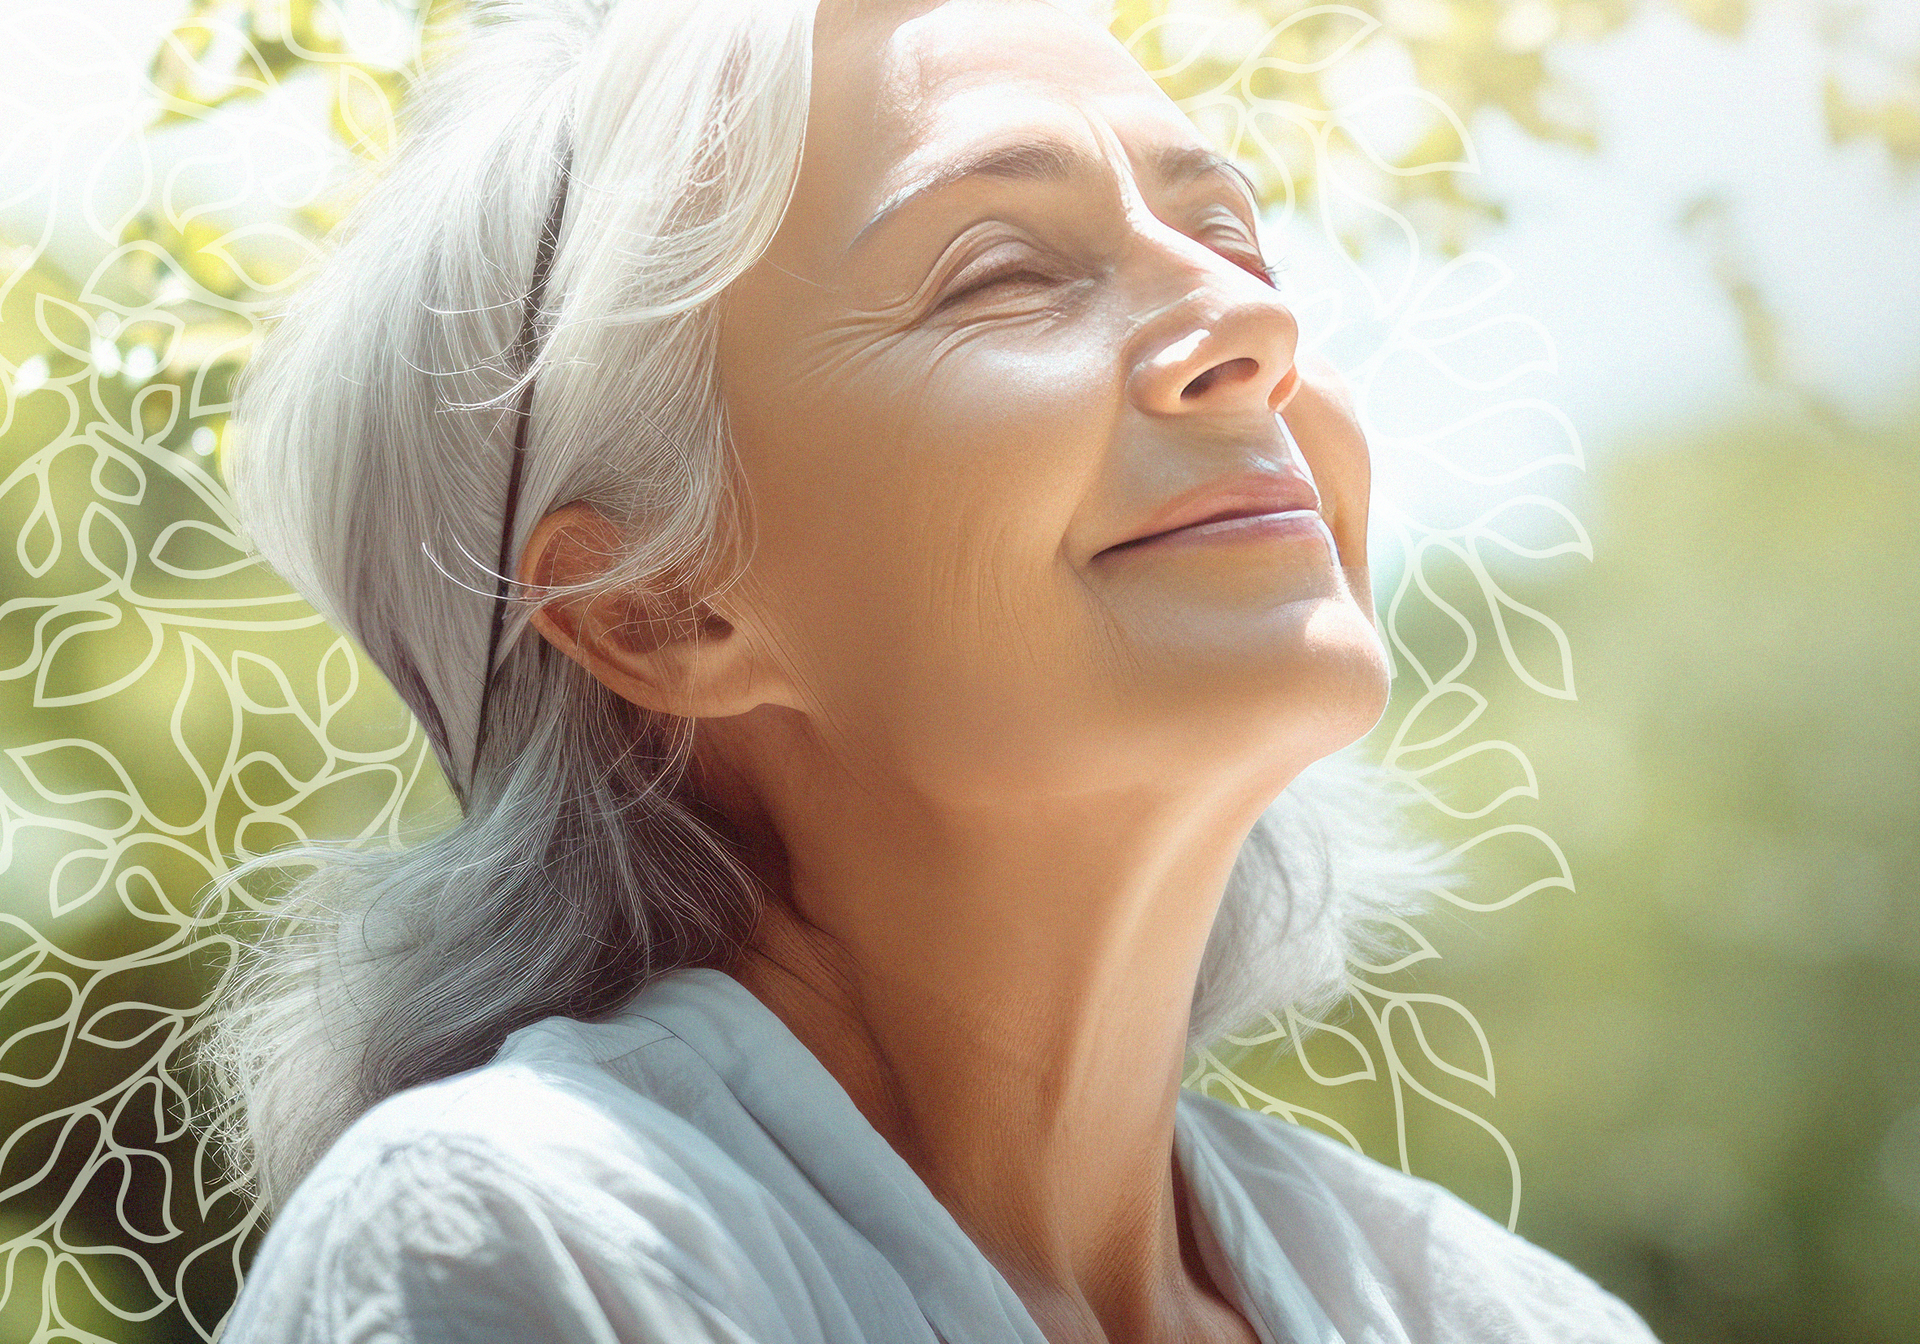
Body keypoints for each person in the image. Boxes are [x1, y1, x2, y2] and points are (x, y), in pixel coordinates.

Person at [203, 0, 1660, 1340]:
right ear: (659, 610)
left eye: (1234, 238)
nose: (1257, 324)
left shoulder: (1513, 1317)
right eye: (1003, 273)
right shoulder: (523, 1252)